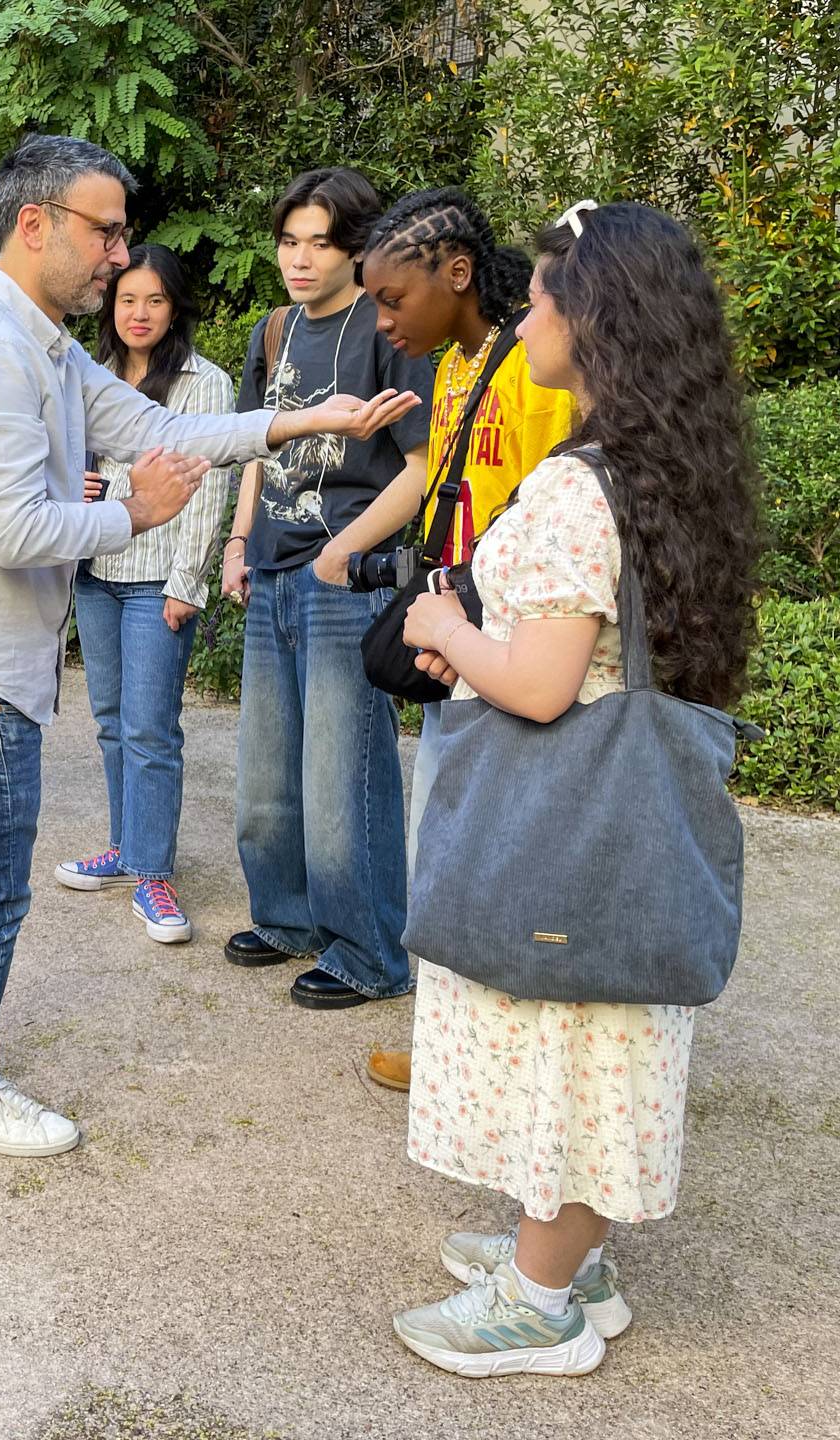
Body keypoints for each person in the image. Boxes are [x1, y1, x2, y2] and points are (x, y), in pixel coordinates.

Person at [0, 135, 419, 1158]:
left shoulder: (37, 340)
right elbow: (16, 529)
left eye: (122, 233)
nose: (120, 257)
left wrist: (291, 429)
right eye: (106, 231)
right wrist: (134, 511)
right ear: (35, 225)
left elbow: (138, 417)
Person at [390, 201, 759, 1376]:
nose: (528, 310)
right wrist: (493, 643)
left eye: (545, 294)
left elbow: (544, 687)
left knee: (560, 1035)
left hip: (561, 810)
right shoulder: (677, 463)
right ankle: (570, 1258)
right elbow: (601, 654)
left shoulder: (577, 484)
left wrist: (449, 622)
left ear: (593, 318)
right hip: (629, 814)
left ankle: (537, 1306)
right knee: (596, 1036)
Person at [350, 187, 577, 1087]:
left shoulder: (533, 368)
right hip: (458, 639)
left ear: (457, 272)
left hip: (510, 646)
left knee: (483, 851)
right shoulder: (449, 368)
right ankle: (449, 1036)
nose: (384, 318)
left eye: (393, 299)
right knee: (440, 844)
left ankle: (477, 1048)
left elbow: (556, 508)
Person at [218, 168, 433, 1010]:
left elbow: (419, 470)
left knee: (345, 770)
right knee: (268, 768)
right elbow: (256, 446)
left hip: (345, 577)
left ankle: (371, 953)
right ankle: (288, 918)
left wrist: (341, 552)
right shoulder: (273, 332)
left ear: (358, 249)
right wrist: (238, 542)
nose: (300, 260)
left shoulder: (388, 332)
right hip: (270, 567)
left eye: (321, 243)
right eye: (289, 241)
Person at [55, 244, 235, 944]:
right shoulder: (90, 376)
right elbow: (67, 466)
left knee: (151, 728)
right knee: (108, 719)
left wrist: (190, 581)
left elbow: (209, 483)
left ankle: (153, 872)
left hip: (160, 577)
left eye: (154, 300)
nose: (138, 313)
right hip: (99, 569)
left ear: (175, 307)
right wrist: (79, 487)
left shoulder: (203, 384)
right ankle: (128, 845)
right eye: (128, 299)